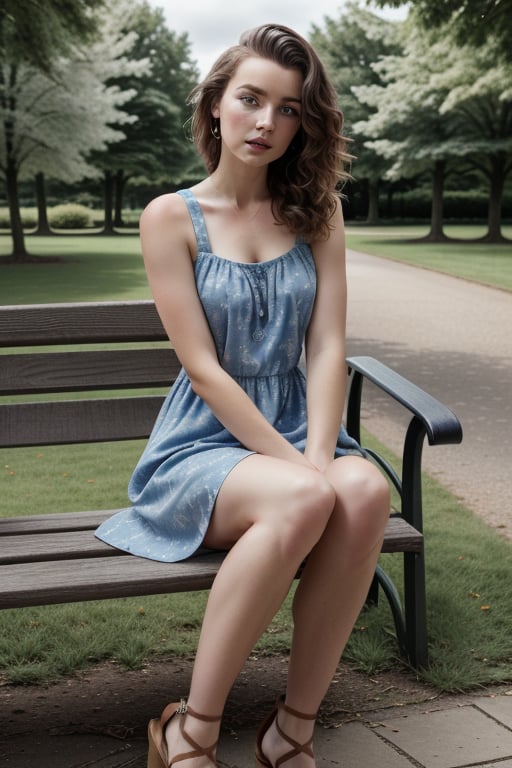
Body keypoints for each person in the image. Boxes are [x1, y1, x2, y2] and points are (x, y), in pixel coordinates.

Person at [95, 22, 390, 768]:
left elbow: (326, 346)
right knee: (306, 498)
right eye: (251, 99)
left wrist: (319, 455)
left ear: (304, 123)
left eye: (289, 109)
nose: (267, 123)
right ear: (216, 106)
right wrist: (299, 471)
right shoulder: (171, 217)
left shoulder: (318, 213)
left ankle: (291, 730)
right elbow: (204, 370)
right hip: (203, 443)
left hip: (298, 428)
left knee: (362, 494)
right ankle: (189, 729)